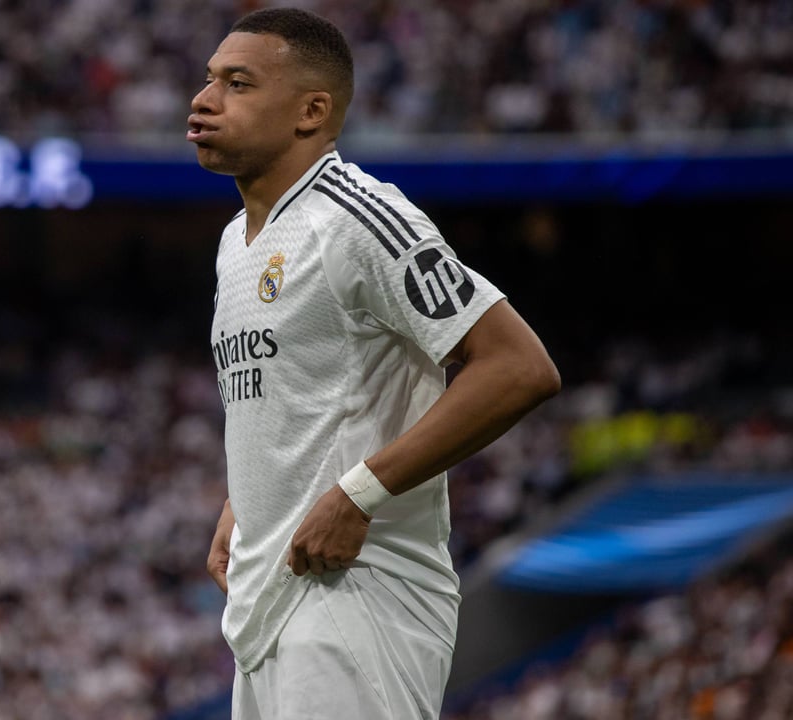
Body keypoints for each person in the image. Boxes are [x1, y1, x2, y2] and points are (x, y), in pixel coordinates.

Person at [189, 8, 561, 719]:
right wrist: (246, 500)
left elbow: (518, 366)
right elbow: (302, 389)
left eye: (237, 84)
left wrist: (359, 494)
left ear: (311, 112)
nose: (204, 100)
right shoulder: (237, 240)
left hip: (358, 594)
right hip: (267, 602)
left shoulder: (360, 219)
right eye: (209, 80)